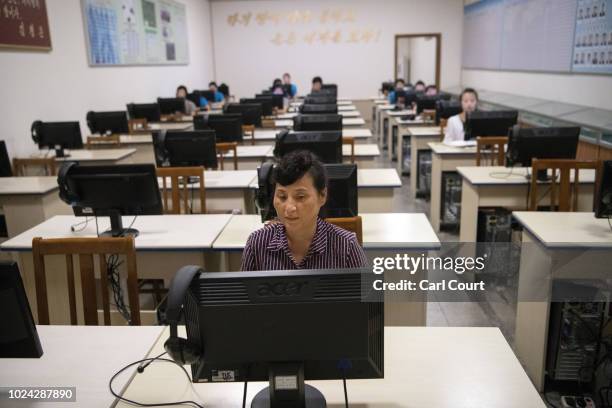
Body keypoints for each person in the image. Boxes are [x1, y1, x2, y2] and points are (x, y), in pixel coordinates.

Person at [241, 150, 367, 271]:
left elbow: (368, 293)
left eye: (300, 197)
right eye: (282, 197)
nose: (289, 208)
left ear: (322, 196)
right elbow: (244, 293)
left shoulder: (346, 246)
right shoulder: (257, 243)